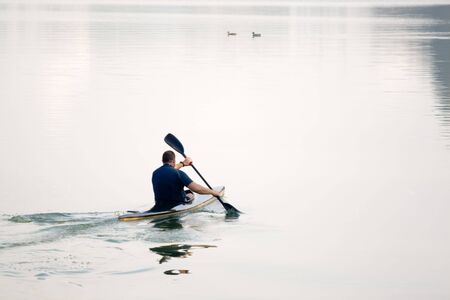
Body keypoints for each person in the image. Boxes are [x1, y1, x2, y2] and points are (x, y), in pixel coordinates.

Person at [149, 150, 224, 212]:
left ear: (162, 161)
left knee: (186, 192)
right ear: (174, 161)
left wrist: (183, 163)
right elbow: (198, 189)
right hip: (176, 206)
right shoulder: (178, 174)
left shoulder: (155, 173)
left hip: (158, 206)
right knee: (190, 194)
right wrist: (213, 192)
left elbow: (171, 169)